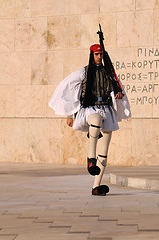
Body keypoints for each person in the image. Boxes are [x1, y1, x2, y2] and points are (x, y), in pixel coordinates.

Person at [49, 44, 131, 196]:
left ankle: (96, 186)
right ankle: (90, 158)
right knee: (96, 120)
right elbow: (67, 88)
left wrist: (119, 95)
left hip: (106, 109)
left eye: (101, 54)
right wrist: (69, 113)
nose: (99, 57)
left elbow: (118, 89)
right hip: (90, 109)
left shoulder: (109, 73)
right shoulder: (84, 72)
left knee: (104, 153)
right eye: (96, 54)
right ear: (92, 55)